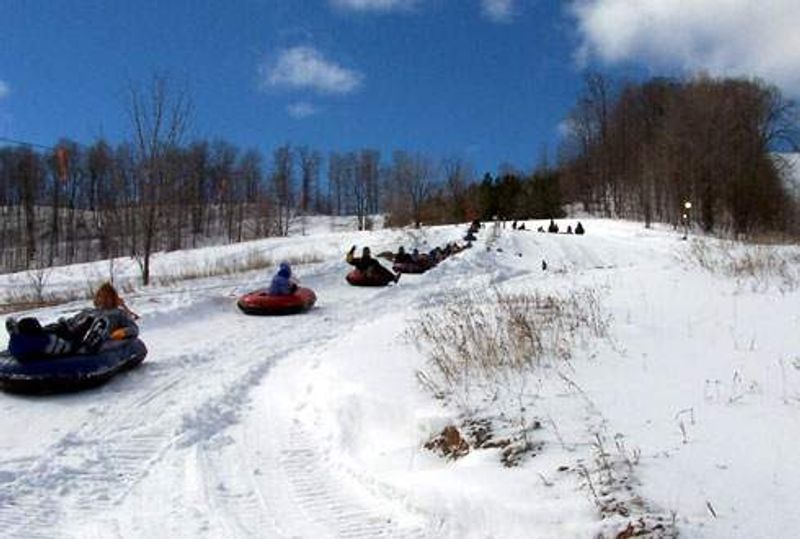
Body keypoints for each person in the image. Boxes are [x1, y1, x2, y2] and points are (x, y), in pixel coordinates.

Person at [6, 282, 139, 361]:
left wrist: (121, 333)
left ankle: (92, 339)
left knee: (93, 322)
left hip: (84, 334)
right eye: (101, 296)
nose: (104, 299)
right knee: (42, 327)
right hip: (69, 329)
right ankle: (21, 332)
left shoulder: (118, 313)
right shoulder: (88, 310)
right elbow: (73, 320)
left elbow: (133, 329)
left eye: (107, 297)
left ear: (113, 298)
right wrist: (64, 324)